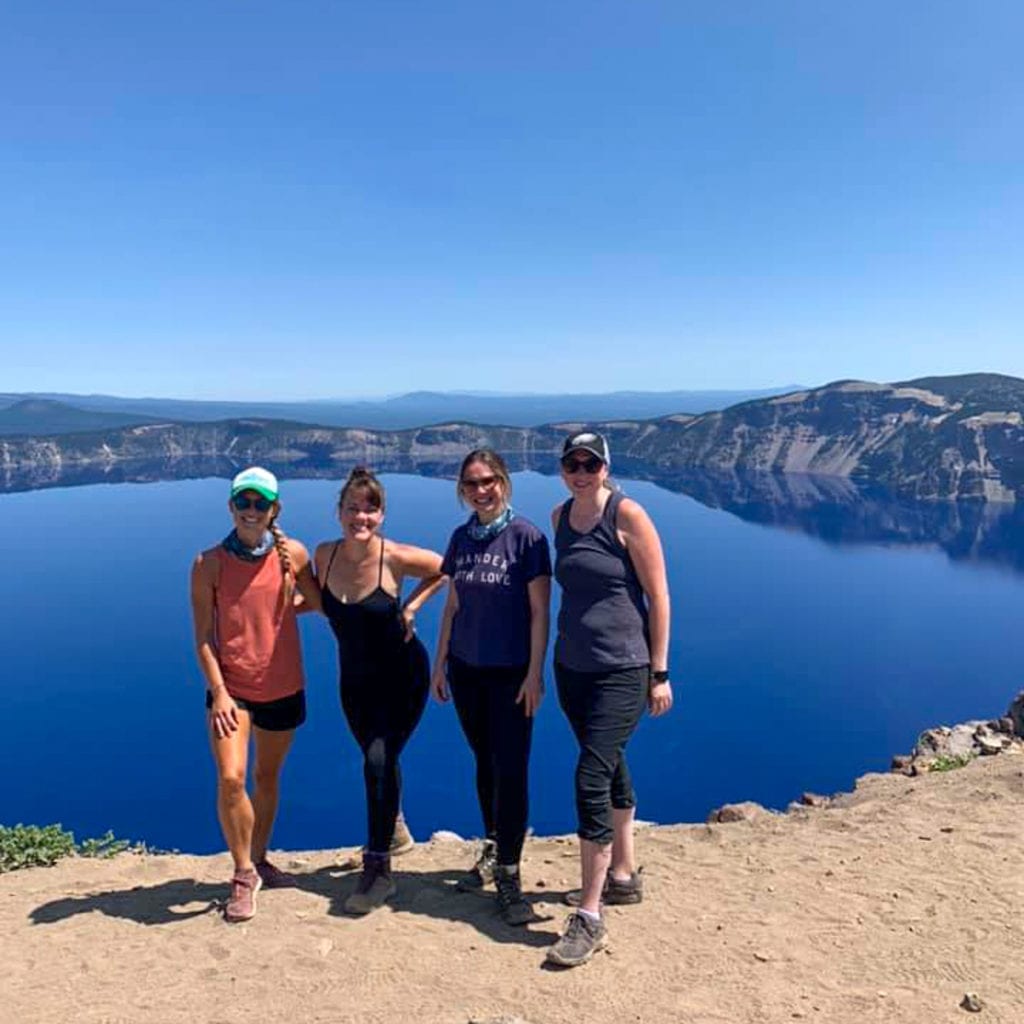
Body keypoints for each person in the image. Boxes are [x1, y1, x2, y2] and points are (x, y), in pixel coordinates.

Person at [546, 431, 673, 967]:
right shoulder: (558, 519)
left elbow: (659, 593)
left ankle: (590, 915)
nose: (581, 472)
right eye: (573, 463)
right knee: (611, 763)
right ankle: (623, 875)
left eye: (590, 463)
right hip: (572, 666)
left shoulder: (629, 515)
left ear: (605, 467)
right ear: (563, 468)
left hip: (625, 667)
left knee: (590, 776)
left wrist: (660, 671)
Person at [190, 467, 320, 923]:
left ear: (274, 510)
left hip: (283, 684)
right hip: (233, 691)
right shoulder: (208, 564)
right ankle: (243, 872)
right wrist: (220, 693)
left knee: (267, 777)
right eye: (243, 502)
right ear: (230, 506)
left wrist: (283, 608)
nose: (251, 511)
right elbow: (204, 637)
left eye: (260, 504)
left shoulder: (294, 555)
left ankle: (261, 858)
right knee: (231, 778)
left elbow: (318, 602)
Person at [315, 467, 446, 915]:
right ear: (339, 512)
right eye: (353, 508)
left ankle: (378, 870)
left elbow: (443, 569)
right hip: (353, 682)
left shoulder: (395, 557)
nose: (361, 517)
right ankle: (396, 830)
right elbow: (314, 602)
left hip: (402, 676)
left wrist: (411, 606)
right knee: (378, 762)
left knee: (378, 760)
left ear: (382, 514)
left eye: (370, 508)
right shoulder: (324, 556)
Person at [431, 449, 551, 926]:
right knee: (484, 762)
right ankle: (492, 847)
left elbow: (541, 612)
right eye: (471, 484)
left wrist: (534, 673)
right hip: (466, 669)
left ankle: (510, 874)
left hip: (510, 673)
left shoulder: (527, 538)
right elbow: (453, 605)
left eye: (488, 481)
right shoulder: (461, 538)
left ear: (503, 482)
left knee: (512, 770)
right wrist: (440, 663)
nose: (480, 491)